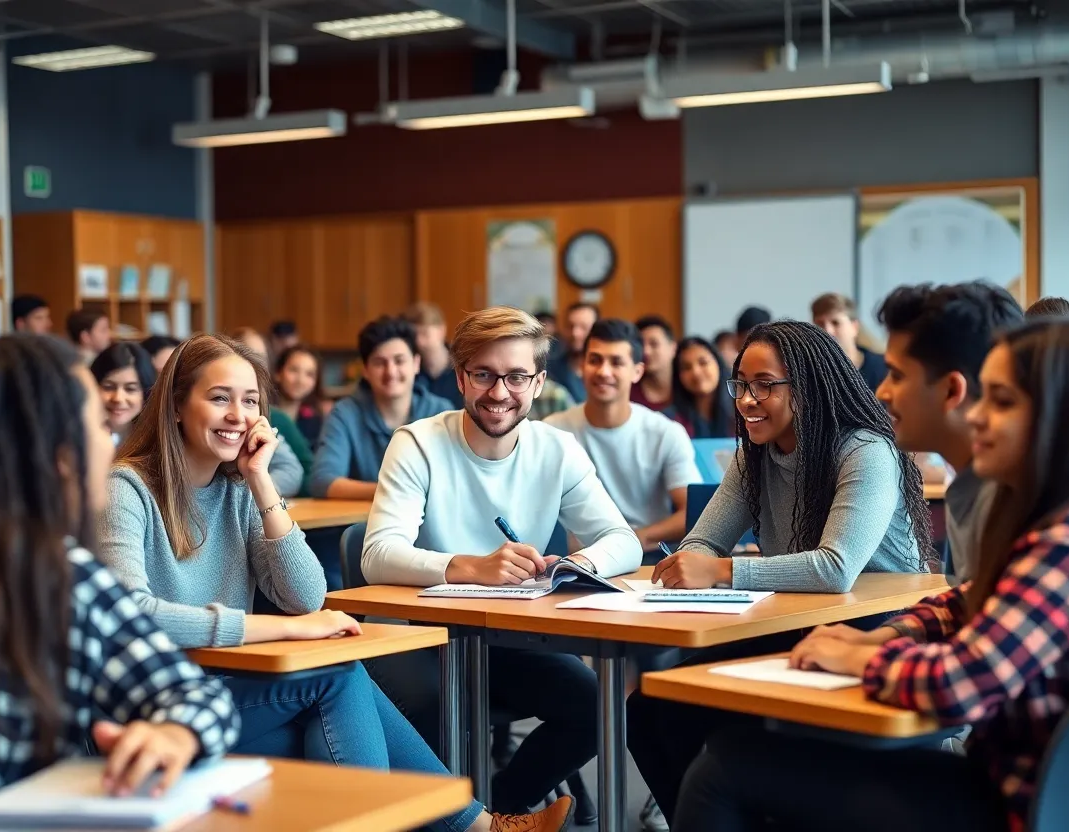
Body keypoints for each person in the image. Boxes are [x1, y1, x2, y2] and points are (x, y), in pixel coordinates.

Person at [95, 333, 564, 832]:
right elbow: (133, 617)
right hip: (152, 712)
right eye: (219, 398)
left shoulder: (239, 490)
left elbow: (304, 595)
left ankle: (479, 827)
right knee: (337, 681)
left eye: (250, 401)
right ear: (174, 406)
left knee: (335, 702)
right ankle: (479, 826)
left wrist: (261, 481)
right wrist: (284, 629)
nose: (238, 415)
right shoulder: (126, 488)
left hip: (222, 693)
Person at [670, 318, 1069, 832]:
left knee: (726, 768)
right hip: (1001, 780)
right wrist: (888, 638)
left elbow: (958, 682)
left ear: (1066, 417)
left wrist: (862, 654)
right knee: (695, 731)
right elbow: (964, 600)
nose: (978, 416)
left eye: (1001, 401)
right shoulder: (1057, 522)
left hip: (1020, 806)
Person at [0, 335, 240, 829]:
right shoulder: (57, 579)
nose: (110, 443)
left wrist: (173, 733)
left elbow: (191, 696)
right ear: (59, 456)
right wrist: (177, 734)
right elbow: (200, 699)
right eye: (99, 425)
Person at [627, 320, 936, 823]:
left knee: (721, 729)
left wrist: (721, 570)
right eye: (742, 385)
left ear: (807, 389)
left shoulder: (865, 451)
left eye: (765, 386)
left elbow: (835, 569)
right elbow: (701, 543)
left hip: (878, 628)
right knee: (649, 711)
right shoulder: (755, 455)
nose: (747, 400)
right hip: (796, 621)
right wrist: (700, 562)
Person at [360, 306, 642, 816]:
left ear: (539, 383)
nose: (499, 392)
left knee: (596, 707)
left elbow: (623, 541)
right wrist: (471, 566)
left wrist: (571, 565)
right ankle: (454, 818)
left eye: (516, 377)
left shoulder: (557, 449)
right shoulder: (417, 443)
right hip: (425, 637)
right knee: (433, 709)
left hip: (511, 636)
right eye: (484, 375)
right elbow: (377, 556)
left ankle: (498, 812)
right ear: (460, 378)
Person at [875, 281, 1024, 580]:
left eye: (897, 375)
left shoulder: (1018, 502)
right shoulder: (971, 486)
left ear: (952, 390)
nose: (882, 392)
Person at [547, 318, 697, 561]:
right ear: (582, 365)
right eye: (595, 360)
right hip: (573, 560)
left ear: (637, 371)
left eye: (616, 362)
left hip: (646, 558)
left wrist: (629, 541)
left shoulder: (665, 432)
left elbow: (692, 512)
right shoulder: (552, 431)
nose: (604, 371)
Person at [310, 316, 450, 500]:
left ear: (416, 364)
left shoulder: (440, 411)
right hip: (365, 517)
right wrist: (395, 491)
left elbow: (453, 478)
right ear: (365, 370)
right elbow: (323, 481)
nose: (390, 372)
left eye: (399, 361)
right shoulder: (344, 414)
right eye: (379, 363)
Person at [232, 326, 311, 493]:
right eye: (246, 354)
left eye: (261, 358)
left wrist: (254, 490)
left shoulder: (265, 418)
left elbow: (294, 471)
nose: (255, 364)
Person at [811, 292, 888, 392]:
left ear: (854, 327)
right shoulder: (808, 372)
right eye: (820, 324)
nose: (827, 331)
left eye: (836, 323)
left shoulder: (883, 367)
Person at [91, 342, 156, 446]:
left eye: (130, 389)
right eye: (109, 387)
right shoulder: (75, 439)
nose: (118, 398)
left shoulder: (157, 441)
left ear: (146, 392)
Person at [671, 336, 735, 439]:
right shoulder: (671, 420)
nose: (696, 372)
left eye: (703, 362)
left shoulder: (743, 411)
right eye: (686, 367)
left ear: (718, 364)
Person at [403, 301, 462, 408]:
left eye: (425, 333)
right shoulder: (408, 370)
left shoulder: (464, 366)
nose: (419, 342)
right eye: (414, 336)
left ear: (441, 331)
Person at [273, 345, 326, 449]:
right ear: (278, 373)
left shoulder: (316, 423)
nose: (300, 380)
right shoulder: (262, 415)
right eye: (294, 370)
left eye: (309, 374)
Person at [545, 302, 599, 403]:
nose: (575, 333)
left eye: (583, 327)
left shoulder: (603, 373)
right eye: (570, 326)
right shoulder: (549, 371)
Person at [632, 315, 679, 413]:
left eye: (654, 344)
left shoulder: (688, 387)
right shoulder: (629, 392)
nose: (646, 352)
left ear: (673, 348)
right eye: (641, 345)